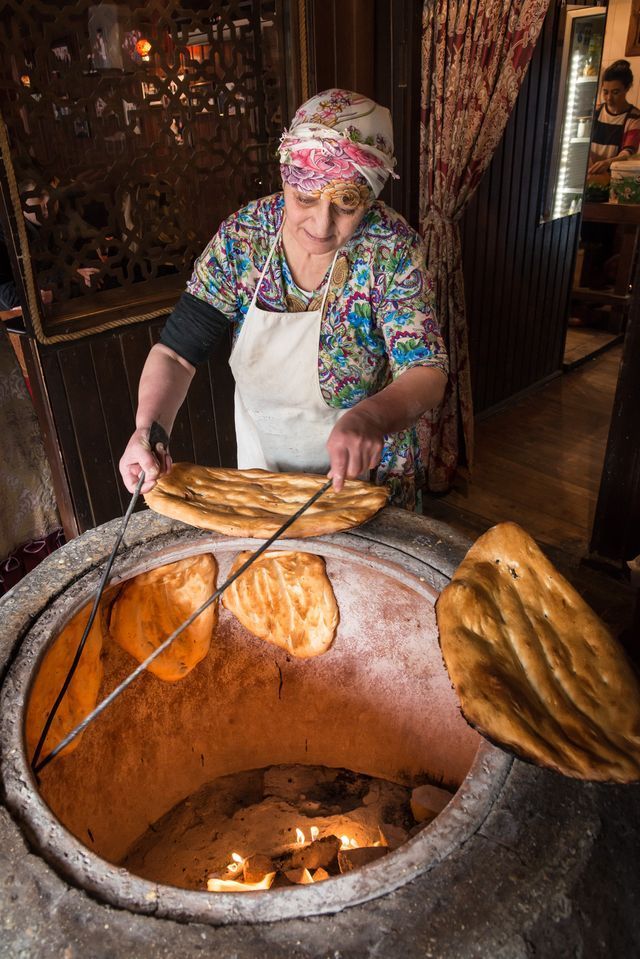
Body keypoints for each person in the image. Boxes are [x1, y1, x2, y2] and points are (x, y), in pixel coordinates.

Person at [119, 89, 448, 508]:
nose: (321, 224)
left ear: (371, 196)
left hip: (364, 481)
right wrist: (148, 432)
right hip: (264, 478)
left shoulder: (390, 248)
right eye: (305, 198)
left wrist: (371, 417)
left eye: (346, 205)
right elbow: (176, 355)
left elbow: (427, 371)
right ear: (285, 177)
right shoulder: (245, 237)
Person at [588, 60, 640, 175]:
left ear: (627, 88)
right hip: (591, 175)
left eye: (615, 92)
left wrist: (607, 163)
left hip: (616, 178)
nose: (609, 98)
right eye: (605, 92)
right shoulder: (596, 111)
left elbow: (628, 152)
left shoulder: (634, 118)